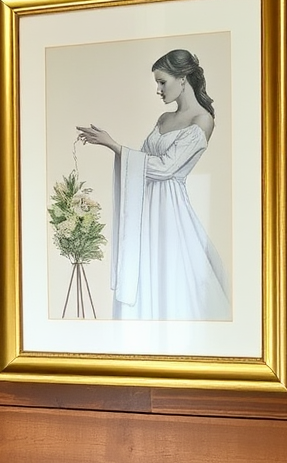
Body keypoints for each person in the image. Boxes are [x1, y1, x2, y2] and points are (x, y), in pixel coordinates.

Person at [76, 48, 231, 320]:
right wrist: (113, 147)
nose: (158, 89)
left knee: (173, 273)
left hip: (170, 210)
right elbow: (144, 159)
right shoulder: (164, 119)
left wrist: (113, 144)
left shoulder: (203, 120)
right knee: (144, 268)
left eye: (162, 82)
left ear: (182, 78)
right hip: (145, 207)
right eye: (156, 83)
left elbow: (166, 167)